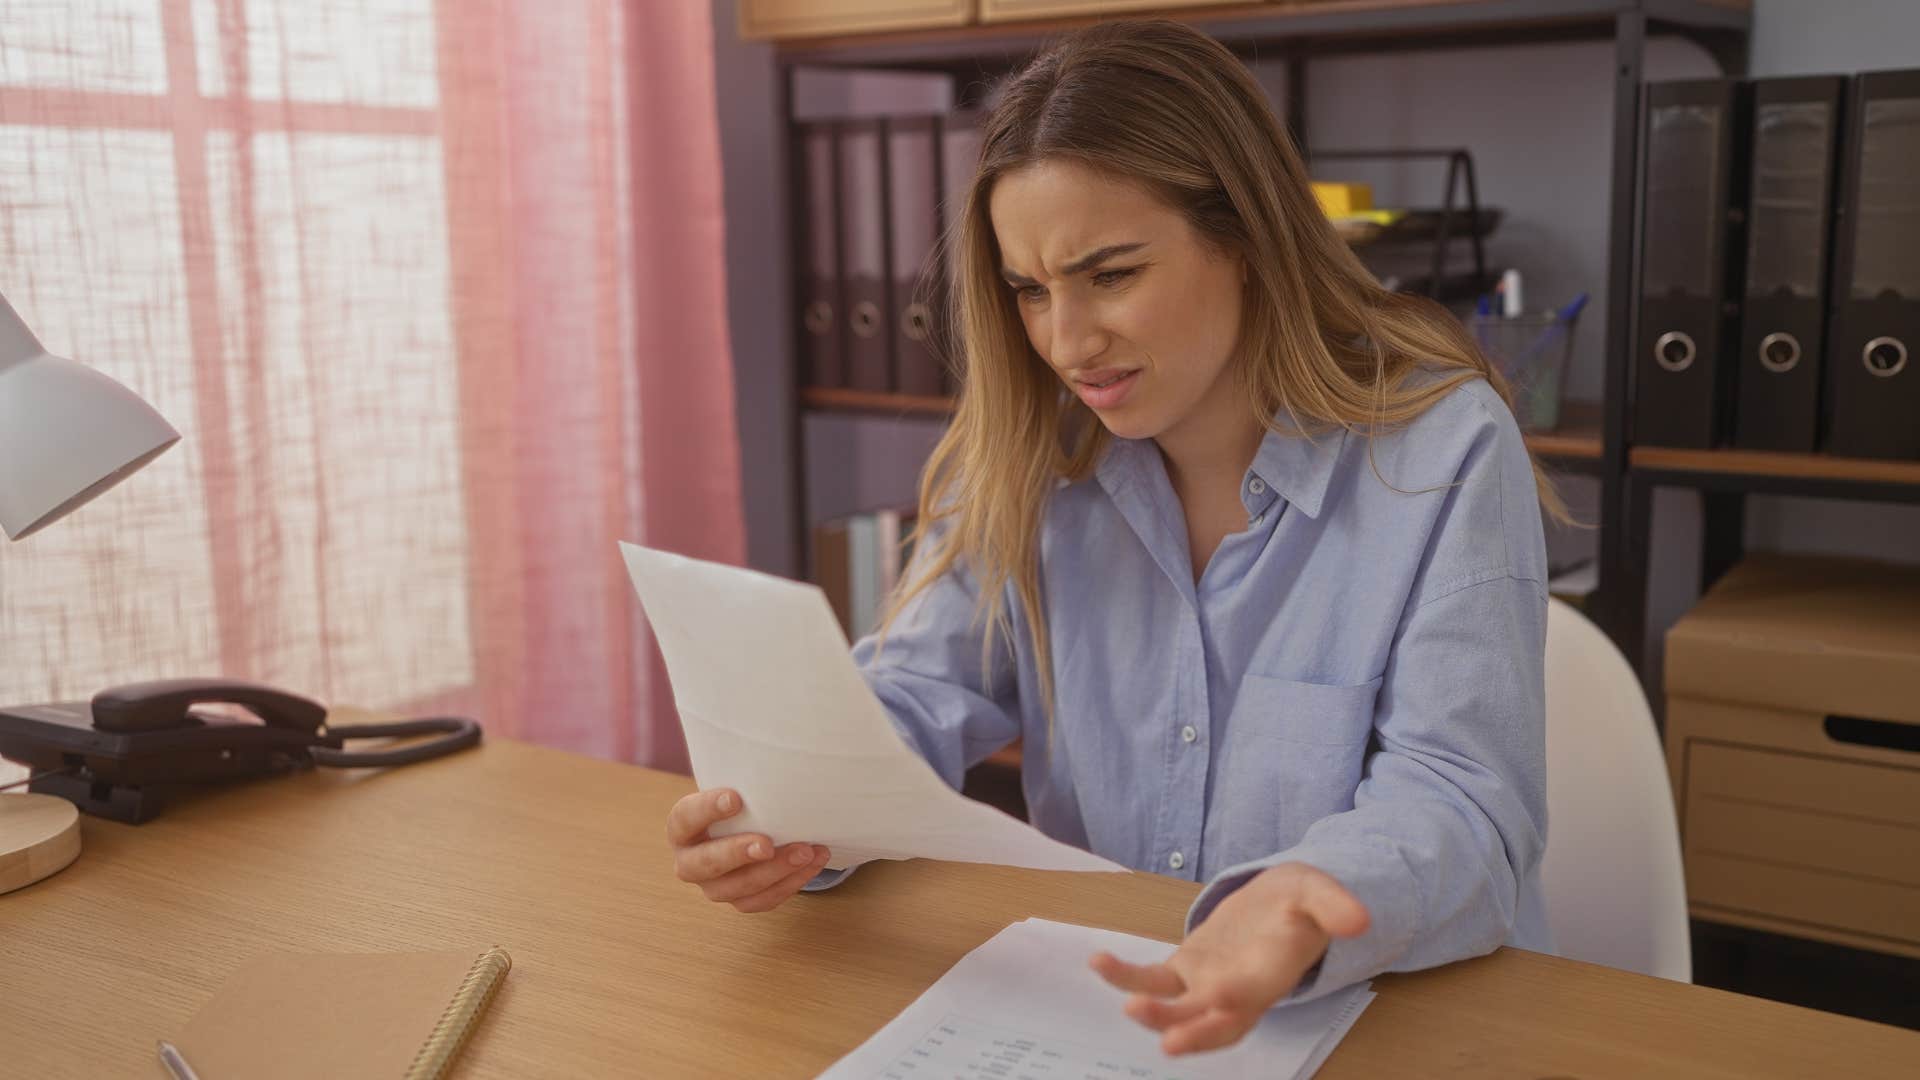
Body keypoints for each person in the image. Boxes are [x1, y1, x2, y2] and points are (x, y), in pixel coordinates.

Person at [666, 17, 1560, 1056]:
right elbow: (910, 697)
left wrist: (1308, 902)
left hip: (1395, 1026)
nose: (1066, 341)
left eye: (1112, 274)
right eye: (1030, 291)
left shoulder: (1442, 449)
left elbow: (1465, 807)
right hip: (1110, 1020)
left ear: (1243, 238)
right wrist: (786, 815)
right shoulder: (1030, 451)